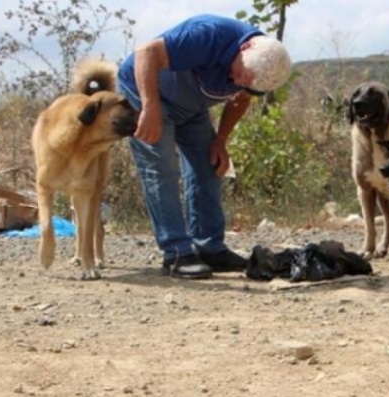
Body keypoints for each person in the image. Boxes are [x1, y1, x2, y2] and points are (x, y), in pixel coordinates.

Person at [117, 14, 292, 279]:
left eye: (246, 83)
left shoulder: (254, 68)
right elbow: (146, 53)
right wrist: (150, 108)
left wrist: (220, 140)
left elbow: (241, 99)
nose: (238, 82)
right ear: (244, 47)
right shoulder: (209, 34)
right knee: (162, 168)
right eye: (240, 75)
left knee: (210, 165)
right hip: (149, 93)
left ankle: (209, 248)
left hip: (191, 107)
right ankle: (176, 253)